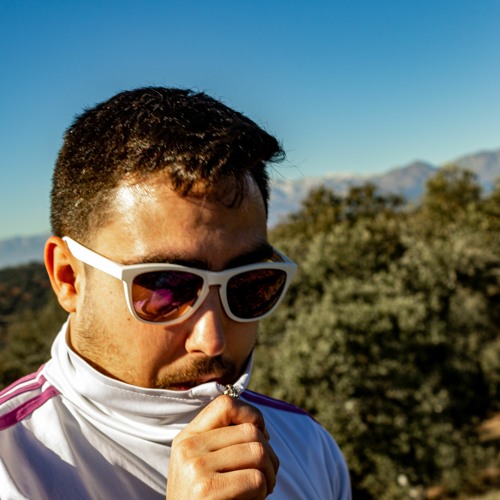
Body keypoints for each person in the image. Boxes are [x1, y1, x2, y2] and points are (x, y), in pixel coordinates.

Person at [0, 87, 351, 499]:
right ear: (68, 278)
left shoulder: (308, 446)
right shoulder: (11, 464)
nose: (212, 340)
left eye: (250, 285)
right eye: (165, 288)